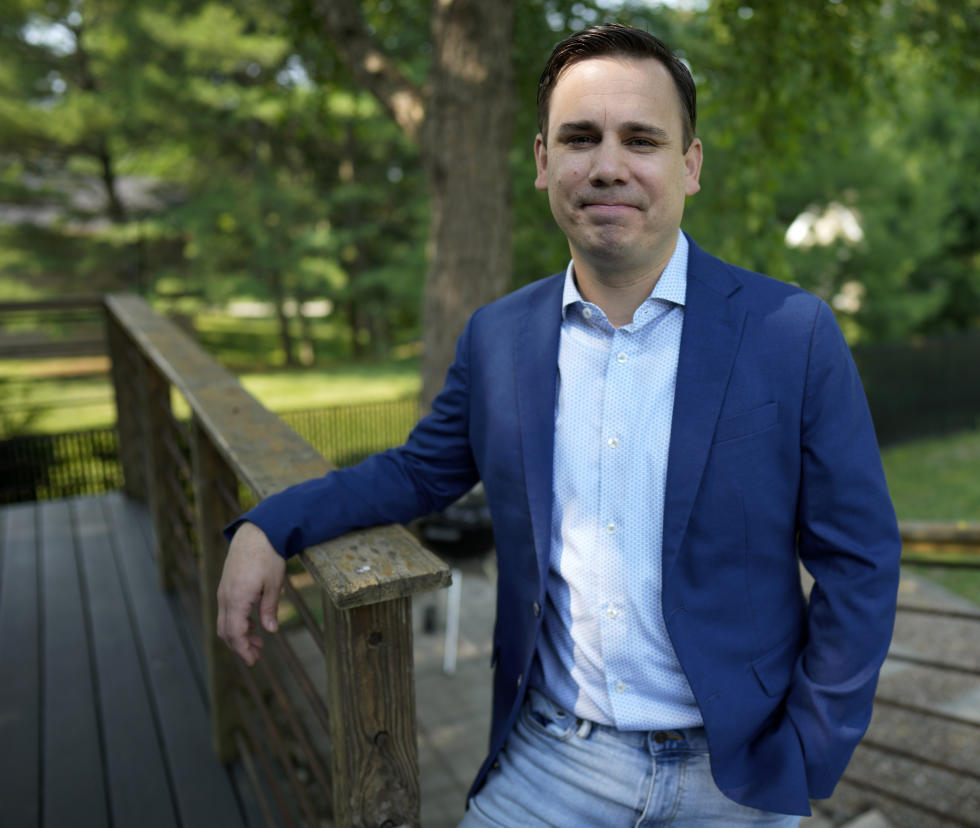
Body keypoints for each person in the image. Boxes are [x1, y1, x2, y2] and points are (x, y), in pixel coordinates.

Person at [217, 23, 901, 827]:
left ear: (691, 165)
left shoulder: (793, 331)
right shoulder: (498, 338)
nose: (608, 165)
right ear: (544, 162)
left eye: (641, 138)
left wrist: (811, 755)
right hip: (553, 762)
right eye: (580, 138)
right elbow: (417, 473)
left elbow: (859, 561)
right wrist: (272, 524)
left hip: (738, 777)